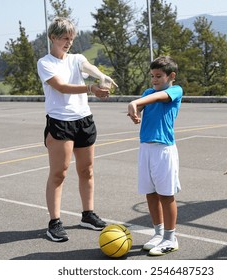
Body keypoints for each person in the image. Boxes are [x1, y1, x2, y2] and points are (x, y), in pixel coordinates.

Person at [37, 17, 117, 242]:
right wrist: (91, 88)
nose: (68, 42)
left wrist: (101, 76)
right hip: (60, 122)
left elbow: (87, 67)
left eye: (71, 39)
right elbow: (61, 87)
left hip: (84, 120)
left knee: (87, 170)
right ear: (53, 37)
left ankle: (88, 215)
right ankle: (54, 223)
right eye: (64, 38)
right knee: (59, 173)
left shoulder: (76, 59)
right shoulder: (45, 63)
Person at [127, 56, 183, 256]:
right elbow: (142, 105)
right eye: (152, 76)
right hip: (146, 149)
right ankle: (158, 233)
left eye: (158, 76)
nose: (154, 80)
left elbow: (157, 98)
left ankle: (170, 238)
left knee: (166, 195)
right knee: (150, 193)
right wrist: (135, 112)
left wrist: (136, 102)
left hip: (164, 150)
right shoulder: (148, 92)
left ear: (171, 76)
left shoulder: (175, 91)